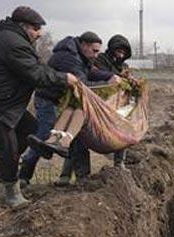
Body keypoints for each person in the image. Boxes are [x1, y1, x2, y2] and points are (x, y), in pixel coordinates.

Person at [0, 6, 78, 208]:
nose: (39, 33)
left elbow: (37, 70)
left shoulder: (16, 41)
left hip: (2, 99)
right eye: (35, 28)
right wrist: (64, 78)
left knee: (30, 130)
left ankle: (1, 170)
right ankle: (12, 193)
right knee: (8, 145)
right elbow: (35, 75)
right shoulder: (14, 43)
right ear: (22, 26)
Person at [18, 31, 120, 187]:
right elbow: (81, 85)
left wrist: (108, 76)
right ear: (84, 45)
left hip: (63, 100)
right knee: (44, 136)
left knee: (76, 135)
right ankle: (23, 175)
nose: (96, 55)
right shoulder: (69, 57)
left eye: (98, 51)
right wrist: (107, 85)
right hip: (48, 99)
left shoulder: (80, 56)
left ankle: (82, 176)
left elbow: (90, 72)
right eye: (94, 50)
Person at [93, 34, 136, 169]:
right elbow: (95, 75)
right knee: (82, 137)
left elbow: (126, 83)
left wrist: (131, 80)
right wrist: (116, 77)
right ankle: (70, 173)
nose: (121, 54)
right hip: (98, 103)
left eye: (124, 52)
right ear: (112, 49)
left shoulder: (123, 66)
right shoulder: (100, 60)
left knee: (124, 129)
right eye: (119, 51)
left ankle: (119, 163)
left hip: (117, 104)